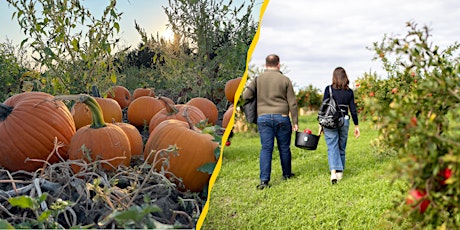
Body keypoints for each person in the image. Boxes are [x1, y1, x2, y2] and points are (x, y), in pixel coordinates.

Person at [242, 54, 299, 190]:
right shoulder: (285, 80)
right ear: (278, 64)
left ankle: (264, 181)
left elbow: (245, 95)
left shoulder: (258, 79)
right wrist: (295, 121)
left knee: (266, 148)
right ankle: (286, 174)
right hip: (282, 117)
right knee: (284, 147)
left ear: (265, 64)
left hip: (264, 118)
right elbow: (293, 103)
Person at [321, 67, 360, 184]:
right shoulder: (349, 92)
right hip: (344, 119)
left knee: (332, 146)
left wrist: (320, 125)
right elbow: (353, 109)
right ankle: (340, 172)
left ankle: (333, 173)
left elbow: (324, 107)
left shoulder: (328, 89)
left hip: (330, 120)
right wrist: (356, 125)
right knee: (341, 146)